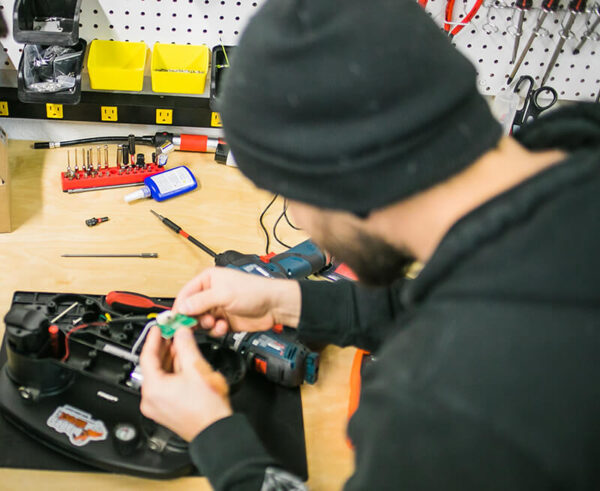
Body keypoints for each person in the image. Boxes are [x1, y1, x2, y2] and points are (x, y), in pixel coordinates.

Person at [139, 0, 600, 489]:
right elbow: (477, 303)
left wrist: (215, 434)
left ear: (347, 186)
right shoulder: (575, 150)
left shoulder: (441, 407)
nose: (297, 220)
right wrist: (290, 300)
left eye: (290, 195)